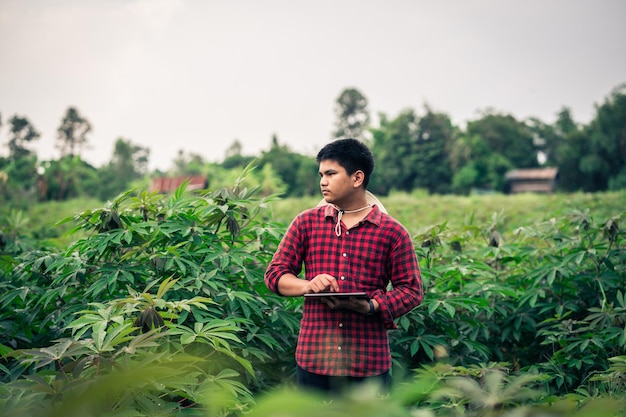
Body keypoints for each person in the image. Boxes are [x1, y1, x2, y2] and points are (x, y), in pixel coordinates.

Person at [264, 138, 424, 395]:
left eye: (331, 173)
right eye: (321, 174)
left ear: (357, 178)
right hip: (314, 359)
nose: (322, 181)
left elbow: (411, 290)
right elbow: (274, 274)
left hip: (367, 363)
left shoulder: (392, 232)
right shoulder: (306, 223)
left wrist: (372, 305)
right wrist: (308, 285)